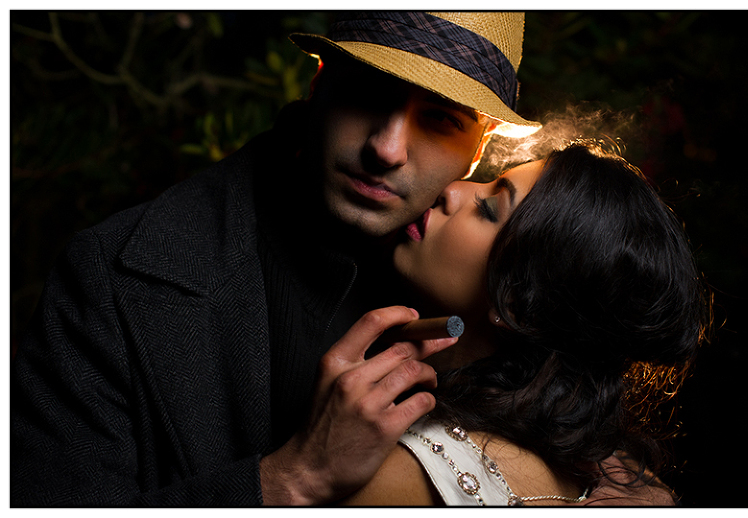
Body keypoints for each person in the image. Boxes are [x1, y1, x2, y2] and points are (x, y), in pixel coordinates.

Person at [10, 12, 677, 506]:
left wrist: (609, 473)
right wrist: (291, 480)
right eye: (368, 93)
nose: (387, 149)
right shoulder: (108, 276)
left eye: (440, 118)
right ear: (319, 83)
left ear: (478, 146)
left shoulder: (468, 272)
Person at [337, 141, 708, 506]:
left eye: (488, 208)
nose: (451, 190)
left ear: (518, 305)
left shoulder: (403, 480)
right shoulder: (586, 466)